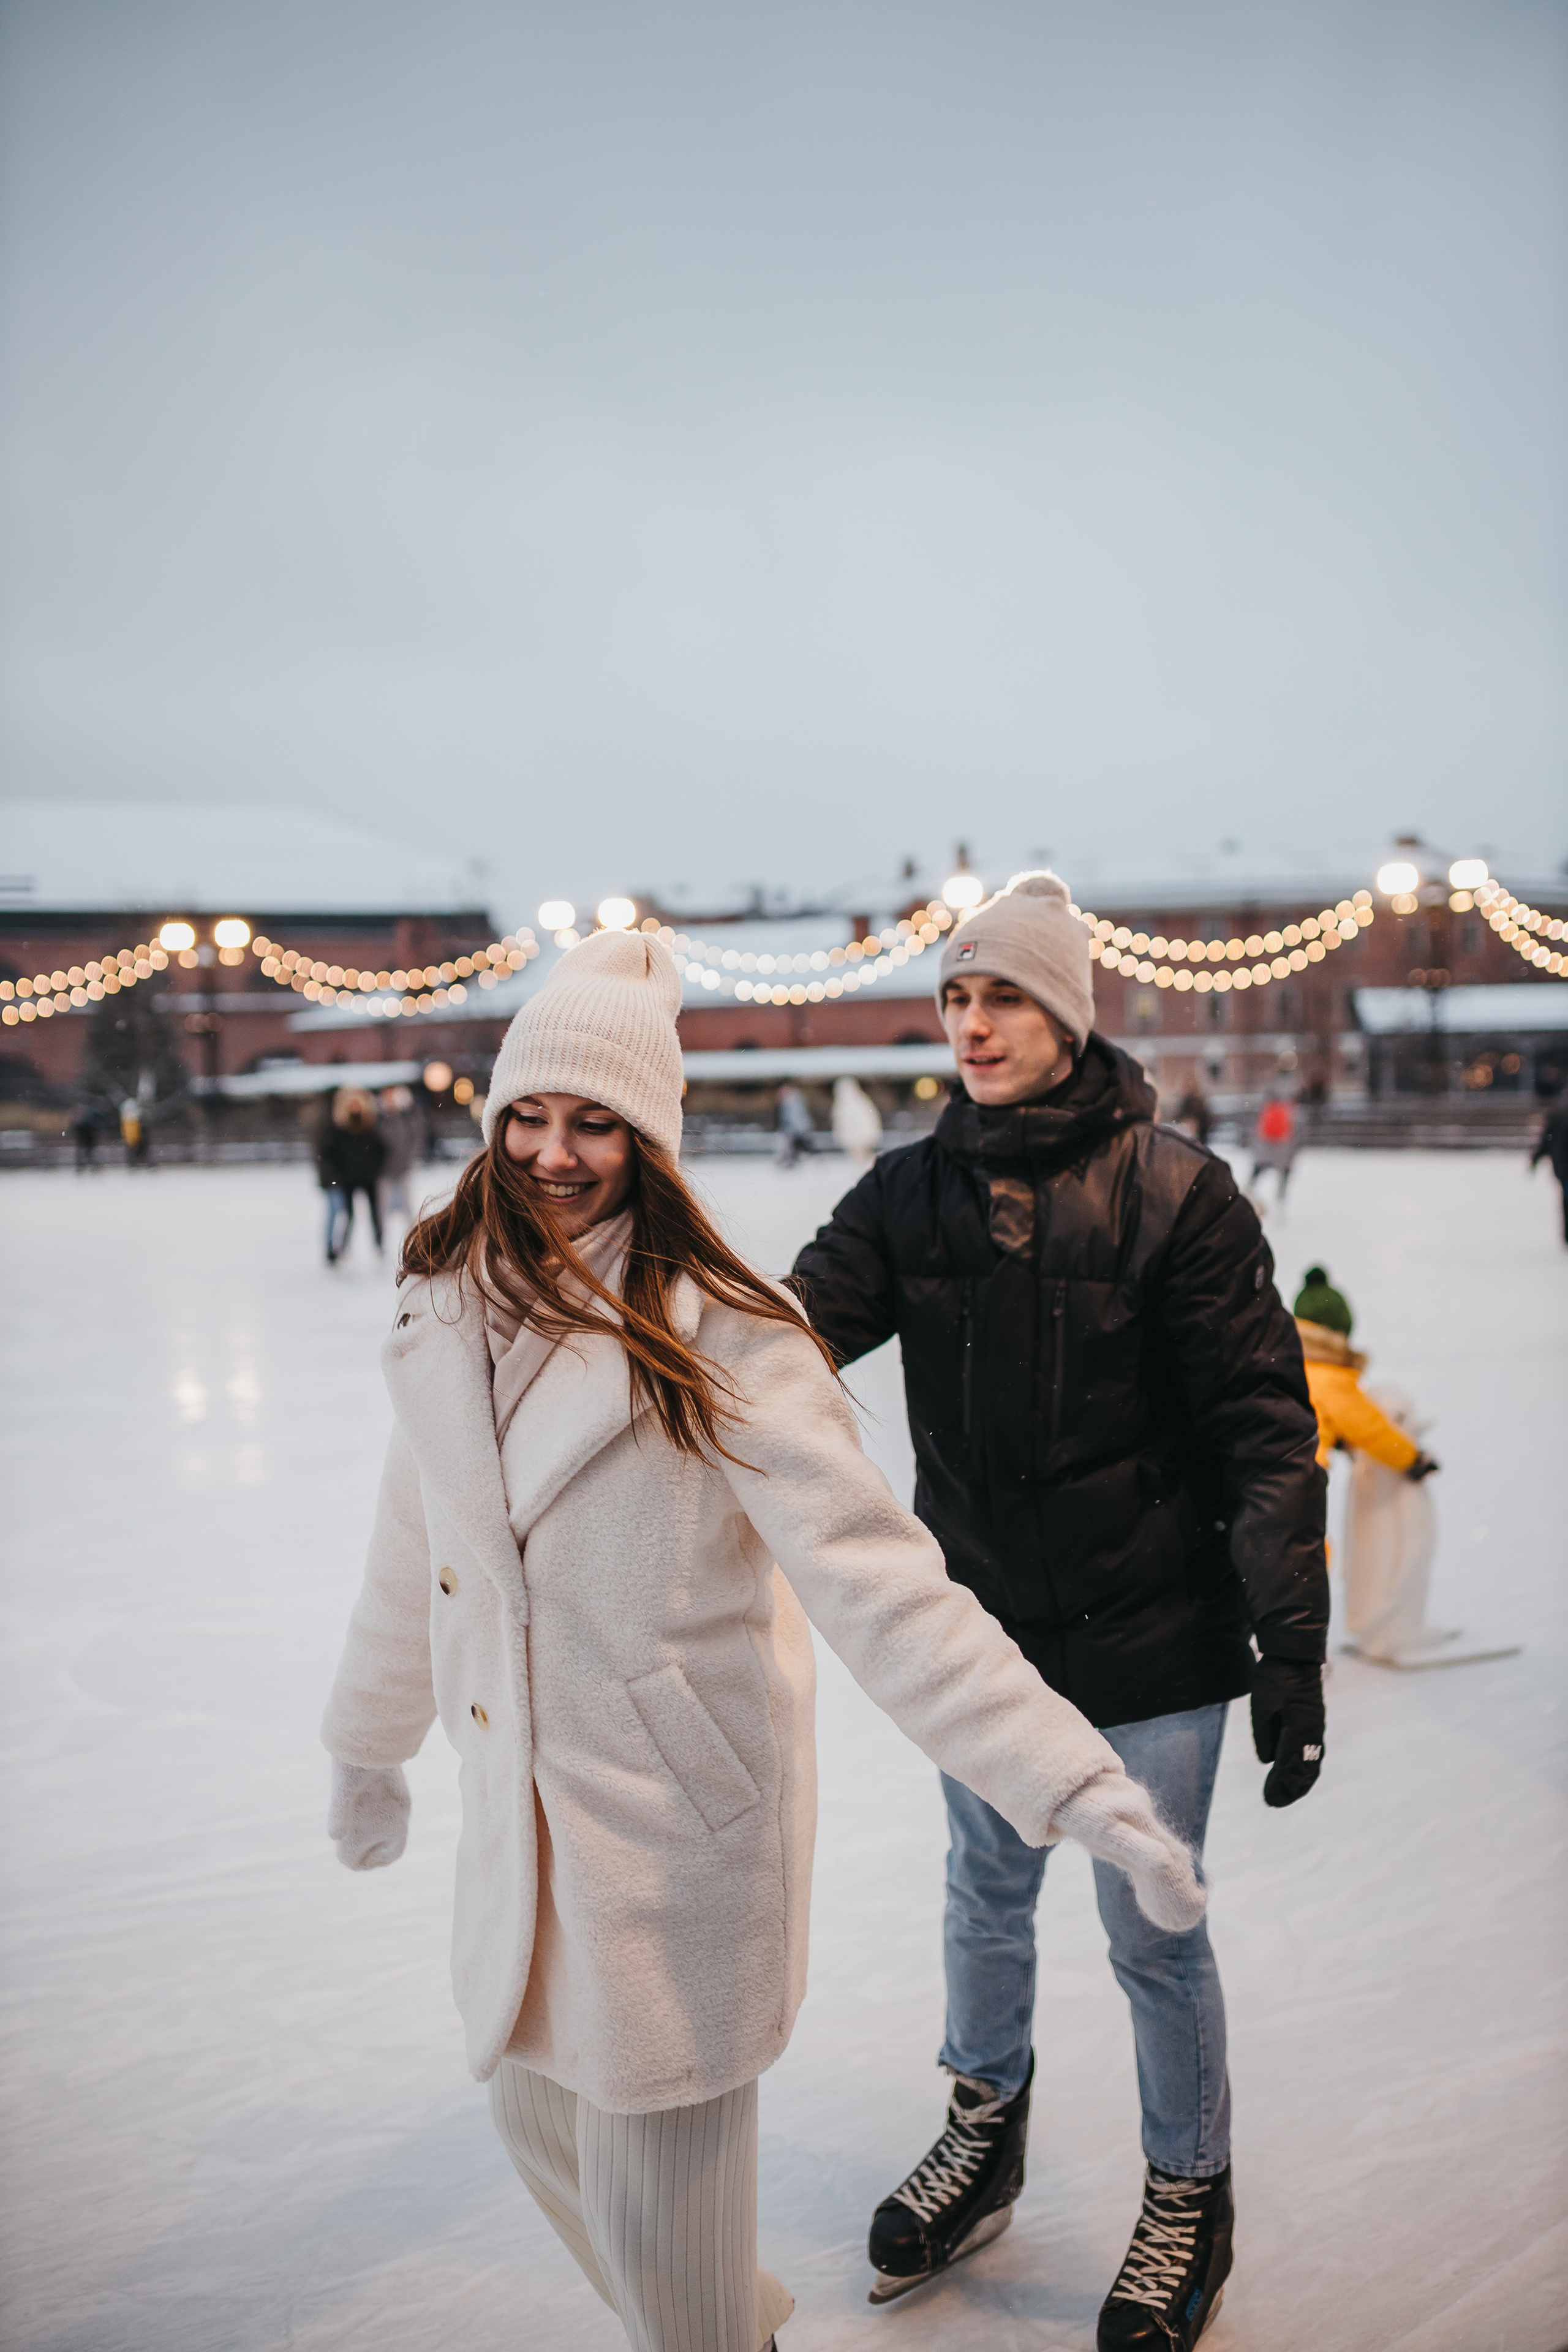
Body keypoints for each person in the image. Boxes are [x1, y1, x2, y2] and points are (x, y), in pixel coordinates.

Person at [321, 927, 1206, 2352]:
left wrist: (1065, 1776)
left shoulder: (723, 1333)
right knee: (532, 2117)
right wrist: (368, 1744)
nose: (553, 1152)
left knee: (667, 2263)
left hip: (667, 1846)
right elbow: (409, 1557)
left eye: (593, 1120)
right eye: (529, 1115)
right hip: (521, 1825)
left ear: (648, 1138)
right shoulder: (451, 1305)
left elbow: (881, 1584)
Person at [788, 871, 1329, 2352]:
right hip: (980, 1645)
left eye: (1002, 997)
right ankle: (985, 2131)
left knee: (1151, 1923)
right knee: (982, 1891)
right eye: (955, 997)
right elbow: (780, 1339)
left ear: (1066, 1015)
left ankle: (1188, 2194)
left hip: (1152, 1637)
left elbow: (1263, 1433)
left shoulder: (1177, 1194)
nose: (971, 1024)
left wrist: (1288, 1641)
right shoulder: (907, 1194)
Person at [1292, 1267, 1439, 1484]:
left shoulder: (1286, 1363)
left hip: (1262, 1478)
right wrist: (1413, 1459)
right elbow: (1369, 1429)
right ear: (1338, 1333)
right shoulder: (1329, 1377)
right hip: (1294, 1482)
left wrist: (1333, 1434)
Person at [317, 1088, 387, 1264]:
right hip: (348, 1179)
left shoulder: (369, 1127)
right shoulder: (340, 1129)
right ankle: (343, 1247)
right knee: (348, 1216)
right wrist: (338, 1173)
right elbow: (329, 1153)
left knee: (375, 1214)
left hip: (368, 1177)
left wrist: (375, 1168)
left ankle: (379, 1244)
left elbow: (381, 1150)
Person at [377, 1084, 421, 1224]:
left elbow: (415, 1138)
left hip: (403, 1167)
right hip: (384, 1170)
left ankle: (413, 1232)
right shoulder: (378, 1119)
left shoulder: (405, 1117)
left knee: (407, 1206)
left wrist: (409, 1159)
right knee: (382, 1209)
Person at [1530, 1085, 1568, 1244]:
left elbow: (1546, 1142)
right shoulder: (1558, 1118)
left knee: (1566, 1201)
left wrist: (1536, 1158)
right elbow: (1546, 1141)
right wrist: (1536, 1158)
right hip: (1564, 1169)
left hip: (1563, 1169)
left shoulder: (1557, 1117)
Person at [1248, 1091, 1298, 1203]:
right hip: (1281, 1147)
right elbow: (1293, 1131)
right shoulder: (1287, 1109)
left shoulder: (1267, 1109)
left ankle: (1250, 1189)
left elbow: (1259, 1130)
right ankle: (1281, 1195)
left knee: (1258, 1168)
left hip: (1266, 1146)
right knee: (1284, 1172)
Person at [831, 1074, 883, 1167]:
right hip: (855, 1137)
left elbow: (867, 1120)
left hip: (859, 1137)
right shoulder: (853, 1102)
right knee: (858, 1159)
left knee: (863, 1159)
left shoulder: (857, 1102)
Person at [774, 1080, 815, 1167]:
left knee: (795, 1145)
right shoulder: (789, 1102)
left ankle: (792, 1161)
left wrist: (795, 1128)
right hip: (793, 1129)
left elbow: (796, 1117)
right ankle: (790, 1161)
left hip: (796, 1129)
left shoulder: (793, 1102)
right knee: (793, 1146)